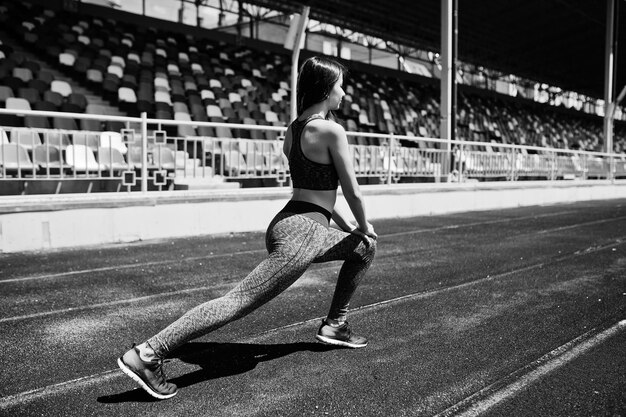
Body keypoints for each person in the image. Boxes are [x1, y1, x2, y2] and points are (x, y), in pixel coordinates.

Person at [117, 56, 378, 400]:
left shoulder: (294, 130)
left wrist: (355, 231)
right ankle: (148, 354)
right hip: (303, 234)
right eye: (340, 86)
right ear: (327, 90)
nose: (344, 93)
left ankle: (335, 325)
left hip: (293, 222)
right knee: (237, 301)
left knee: (363, 248)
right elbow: (351, 189)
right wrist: (365, 223)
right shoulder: (331, 131)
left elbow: (318, 194)